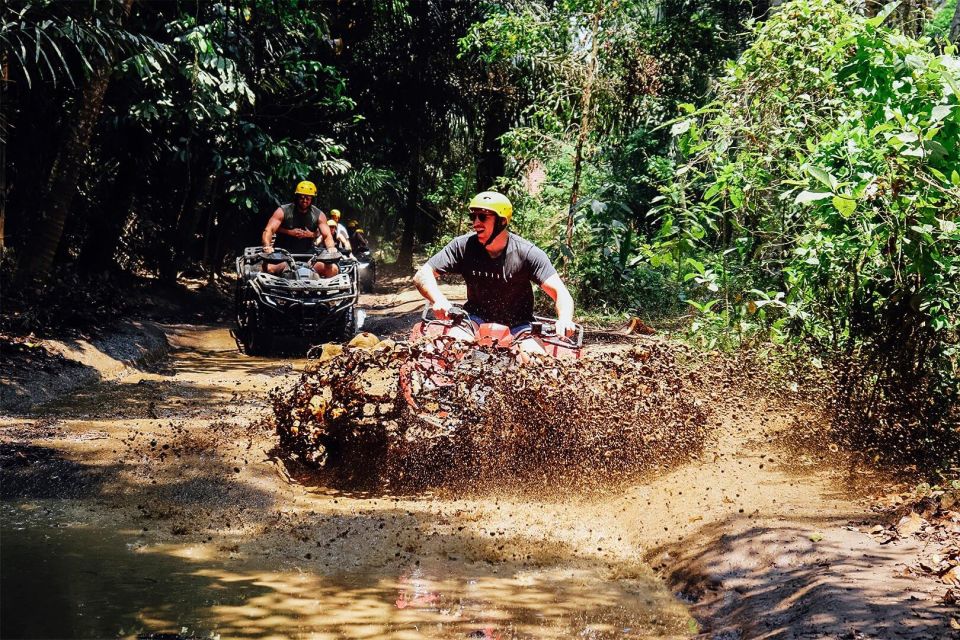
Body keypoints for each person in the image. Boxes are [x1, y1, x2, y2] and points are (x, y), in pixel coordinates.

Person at [413, 191, 576, 354]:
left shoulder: (527, 253)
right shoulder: (462, 246)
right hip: (473, 318)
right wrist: (438, 300)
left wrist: (565, 319)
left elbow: (560, 292)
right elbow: (423, 274)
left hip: (520, 325)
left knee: (535, 361)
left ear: (501, 221)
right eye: (473, 217)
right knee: (451, 348)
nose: (476, 223)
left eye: (483, 217)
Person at [261, 181, 339, 277]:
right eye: (302, 197)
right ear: (296, 197)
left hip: (309, 258)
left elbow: (327, 235)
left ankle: (322, 290)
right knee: (268, 268)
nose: (304, 201)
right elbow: (268, 230)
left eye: (308, 198)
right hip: (283, 256)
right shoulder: (283, 211)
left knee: (333, 269)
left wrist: (331, 247)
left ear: (312, 199)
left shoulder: (319, 214)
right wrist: (267, 246)